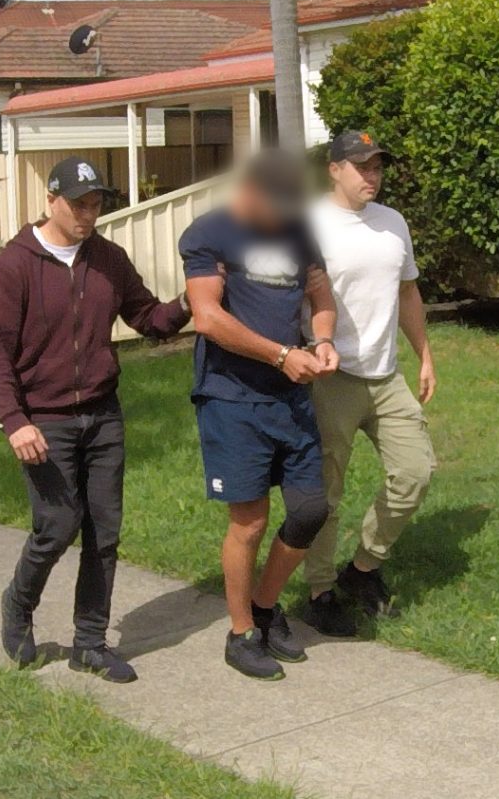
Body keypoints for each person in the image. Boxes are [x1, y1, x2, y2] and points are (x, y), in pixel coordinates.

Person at [0, 155, 190, 683]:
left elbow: (147, 317)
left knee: (103, 533)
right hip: (42, 419)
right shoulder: (16, 264)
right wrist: (14, 419)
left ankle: (90, 643)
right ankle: (18, 604)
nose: (87, 214)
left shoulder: (108, 260)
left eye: (95, 204)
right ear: (50, 200)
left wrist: (191, 303)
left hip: (102, 416)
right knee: (56, 525)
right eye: (78, 204)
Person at [180, 149, 339, 681]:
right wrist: (279, 354)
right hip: (232, 399)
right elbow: (206, 317)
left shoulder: (296, 230)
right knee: (249, 521)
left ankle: (268, 608)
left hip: (291, 397)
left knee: (310, 509)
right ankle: (241, 631)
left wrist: (321, 339)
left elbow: (321, 295)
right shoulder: (209, 233)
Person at [301, 131, 437, 638]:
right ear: (334, 169)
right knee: (326, 494)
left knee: (415, 472)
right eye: (362, 167)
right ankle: (318, 591)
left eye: (378, 167)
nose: (372, 176)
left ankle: (362, 569)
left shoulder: (392, 222)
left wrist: (424, 353)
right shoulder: (309, 223)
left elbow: (407, 292)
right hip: (331, 377)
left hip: (386, 374)